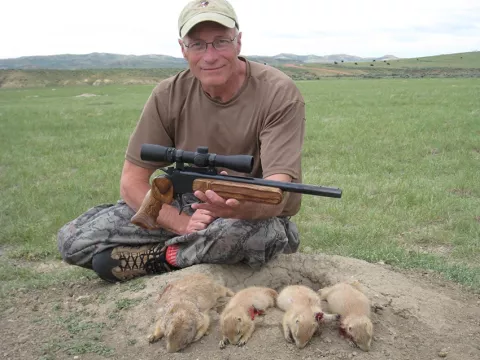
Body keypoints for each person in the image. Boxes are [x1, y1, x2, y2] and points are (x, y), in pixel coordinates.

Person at [57, 0, 306, 283]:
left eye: (221, 42)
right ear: (182, 49)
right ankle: (188, 250)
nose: (209, 56)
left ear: (238, 43)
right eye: (197, 44)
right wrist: (181, 223)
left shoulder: (278, 92)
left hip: (246, 214)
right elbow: (132, 181)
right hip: (185, 207)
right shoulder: (168, 94)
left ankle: (161, 258)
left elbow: (277, 192)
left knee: (266, 234)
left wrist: (239, 208)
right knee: (72, 240)